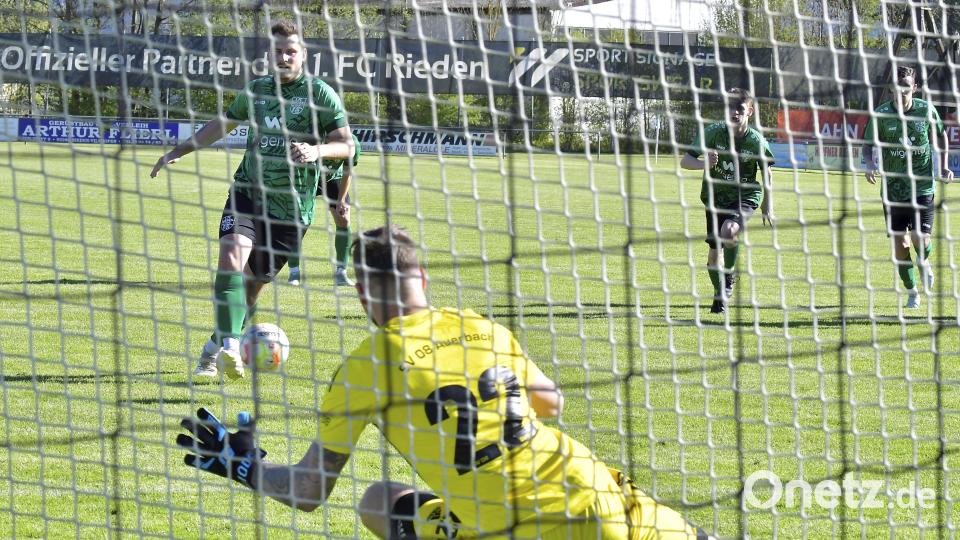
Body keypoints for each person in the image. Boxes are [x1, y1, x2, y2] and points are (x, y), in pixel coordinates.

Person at [176, 224, 709, 539]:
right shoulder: (479, 324)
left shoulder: (368, 366)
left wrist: (243, 465)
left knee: (378, 503)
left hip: (520, 529)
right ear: (422, 279)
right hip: (604, 497)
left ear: (363, 293)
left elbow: (311, 491)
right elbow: (551, 401)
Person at [150, 20, 354, 379]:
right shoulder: (256, 90)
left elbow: (348, 145)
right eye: (277, 51)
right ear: (268, 55)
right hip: (248, 191)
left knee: (250, 287)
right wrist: (178, 151)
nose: (284, 56)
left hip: (292, 208)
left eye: (291, 51)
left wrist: (315, 150)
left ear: (303, 56)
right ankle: (230, 346)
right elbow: (220, 124)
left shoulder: (320, 94)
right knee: (231, 256)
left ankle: (211, 350)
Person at [862, 65, 953, 310]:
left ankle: (925, 264)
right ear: (891, 88)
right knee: (900, 246)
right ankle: (913, 292)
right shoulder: (881, 114)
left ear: (914, 88)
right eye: (897, 87)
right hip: (893, 191)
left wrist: (943, 165)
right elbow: (867, 144)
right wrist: (869, 165)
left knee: (918, 237)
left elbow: (941, 134)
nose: (901, 92)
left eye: (906, 87)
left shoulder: (926, 110)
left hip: (922, 187)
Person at [680, 88, 774, 315]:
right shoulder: (712, 133)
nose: (734, 113)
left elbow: (767, 172)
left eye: (739, 109)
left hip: (745, 197)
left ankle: (729, 273)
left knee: (729, 230)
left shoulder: (756, 142)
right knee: (714, 255)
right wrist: (706, 164)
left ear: (749, 111)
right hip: (714, 198)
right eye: (730, 108)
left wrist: (767, 204)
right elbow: (685, 161)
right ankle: (719, 293)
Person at [287, 133, 362, 287]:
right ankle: (294, 272)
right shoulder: (309, 136)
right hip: (307, 178)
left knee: (344, 219)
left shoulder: (351, 142)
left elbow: (347, 172)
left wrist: (341, 199)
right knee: (297, 223)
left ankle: (341, 273)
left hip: (332, 179)